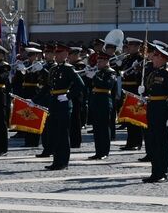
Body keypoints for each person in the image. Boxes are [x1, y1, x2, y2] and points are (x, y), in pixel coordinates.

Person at [40, 43, 84, 171]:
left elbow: (80, 85)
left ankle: (63, 161)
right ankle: (56, 161)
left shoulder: (69, 69)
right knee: (54, 133)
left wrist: (68, 96)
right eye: (56, 54)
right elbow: (47, 87)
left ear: (65, 55)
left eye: (59, 54)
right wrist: (34, 100)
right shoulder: (53, 69)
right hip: (53, 102)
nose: (56, 56)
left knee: (63, 134)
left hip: (63, 103)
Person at [141, 43, 168, 183]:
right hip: (152, 109)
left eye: (155, 56)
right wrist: (143, 92)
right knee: (153, 142)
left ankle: (163, 172)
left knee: (163, 143)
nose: (152, 59)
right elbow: (152, 91)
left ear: (162, 58)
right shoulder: (153, 72)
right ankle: (155, 171)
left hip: (162, 110)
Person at [85, 50, 121, 160]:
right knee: (97, 128)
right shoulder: (99, 71)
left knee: (104, 129)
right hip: (96, 101)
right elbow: (90, 86)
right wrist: (88, 76)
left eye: (101, 61)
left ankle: (104, 151)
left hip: (105, 102)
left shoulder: (111, 72)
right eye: (98, 61)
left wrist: (94, 76)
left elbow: (107, 85)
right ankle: (98, 151)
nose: (98, 63)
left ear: (107, 61)